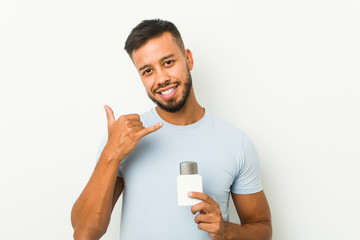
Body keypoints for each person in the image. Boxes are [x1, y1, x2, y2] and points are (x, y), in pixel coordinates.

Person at [71, 19, 272, 240]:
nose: (161, 78)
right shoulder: (124, 139)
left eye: (168, 63)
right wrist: (111, 153)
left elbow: (262, 229)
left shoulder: (236, 143)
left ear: (188, 59)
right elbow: (84, 233)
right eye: (148, 71)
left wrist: (226, 231)